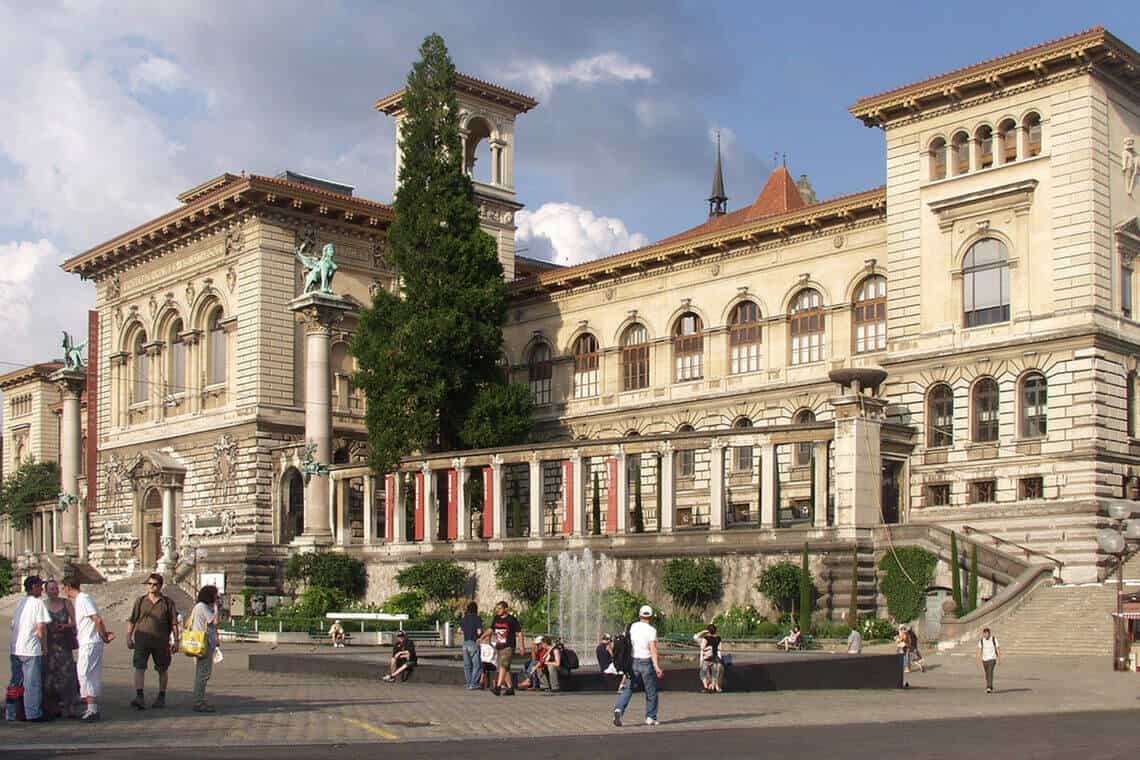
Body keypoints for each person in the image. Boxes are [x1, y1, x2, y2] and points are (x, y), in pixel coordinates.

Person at [62, 576, 115, 722]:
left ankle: (92, 708)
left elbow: (97, 619)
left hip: (90, 642)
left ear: (68, 587)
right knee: (88, 674)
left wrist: (104, 635)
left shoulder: (83, 599)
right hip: (88, 641)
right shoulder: (80, 600)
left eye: (64, 587)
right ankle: (91, 707)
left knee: (84, 673)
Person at [126, 573, 179, 710]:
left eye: (154, 584)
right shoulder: (140, 601)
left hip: (161, 641)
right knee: (139, 667)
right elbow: (132, 619)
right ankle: (139, 696)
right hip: (142, 640)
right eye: (149, 584)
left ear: (160, 586)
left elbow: (174, 623)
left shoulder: (167, 602)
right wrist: (128, 636)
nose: (151, 587)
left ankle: (161, 696)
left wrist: (176, 640)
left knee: (162, 669)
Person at [613, 605, 663, 727]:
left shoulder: (632, 627)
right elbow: (653, 649)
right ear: (650, 616)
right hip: (646, 662)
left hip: (633, 662)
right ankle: (651, 717)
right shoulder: (651, 630)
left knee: (628, 688)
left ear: (640, 615)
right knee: (651, 691)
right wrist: (657, 666)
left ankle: (619, 709)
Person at [10, 575, 51, 722]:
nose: (42, 588)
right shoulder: (37, 603)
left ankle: (13, 711)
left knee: (16, 681)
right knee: (32, 683)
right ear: (33, 587)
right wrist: (44, 646)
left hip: (16, 647)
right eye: (40, 585)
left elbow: (13, 625)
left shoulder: (20, 603)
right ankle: (33, 713)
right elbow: (41, 627)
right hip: (30, 649)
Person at [42, 579, 80, 719]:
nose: (55, 591)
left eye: (56, 588)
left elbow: (75, 621)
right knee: (50, 676)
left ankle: (70, 707)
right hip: (49, 645)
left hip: (64, 644)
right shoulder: (43, 605)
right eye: (51, 589)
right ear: (46, 591)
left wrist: (66, 626)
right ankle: (54, 707)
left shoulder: (66, 603)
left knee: (67, 675)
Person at [188, 584, 220, 713]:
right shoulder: (202, 607)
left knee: (201, 673)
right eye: (215, 595)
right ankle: (198, 702)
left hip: (202, 642)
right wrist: (216, 607)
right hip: (204, 643)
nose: (216, 597)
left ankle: (199, 699)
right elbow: (215, 621)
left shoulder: (199, 607)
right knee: (203, 674)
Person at [481, 601, 523, 696]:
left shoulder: (511, 619)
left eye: (500, 608)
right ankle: (510, 688)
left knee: (503, 666)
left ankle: (498, 687)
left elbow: (520, 633)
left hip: (508, 647)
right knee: (505, 668)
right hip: (499, 646)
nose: (498, 610)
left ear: (505, 609)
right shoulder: (496, 618)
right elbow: (491, 629)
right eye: (497, 608)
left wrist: (522, 646)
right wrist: (482, 637)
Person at [458, 601, 484, 690]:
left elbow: (459, 631)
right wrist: (480, 637)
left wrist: (466, 632)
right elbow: (479, 631)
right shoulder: (477, 618)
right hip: (473, 642)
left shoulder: (464, 618)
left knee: (467, 665)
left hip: (465, 643)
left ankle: (468, 683)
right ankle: (473, 683)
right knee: (477, 665)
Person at [693, 624, 723, 693]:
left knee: (703, 673)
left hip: (705, 659)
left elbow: (695, 637)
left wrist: (704, 631)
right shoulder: (718, 638)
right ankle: (713, 686)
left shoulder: (704, 639)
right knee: (714, 673)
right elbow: (720, 649)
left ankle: (707, 687)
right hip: (715, 658)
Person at [977, 627, 1001, 694]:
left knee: (990, 672)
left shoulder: (993, 639)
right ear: (983, 634)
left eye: (987, 634)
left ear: (989, 633)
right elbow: (979, 650)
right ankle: (990, 686)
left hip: (992, 659)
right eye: (985, 634)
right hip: (984, 659)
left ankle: (989, 687)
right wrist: (978, 659)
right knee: (987, 674)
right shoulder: (981, 640)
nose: (986, 635)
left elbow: (998, 648)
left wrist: (999, 659)